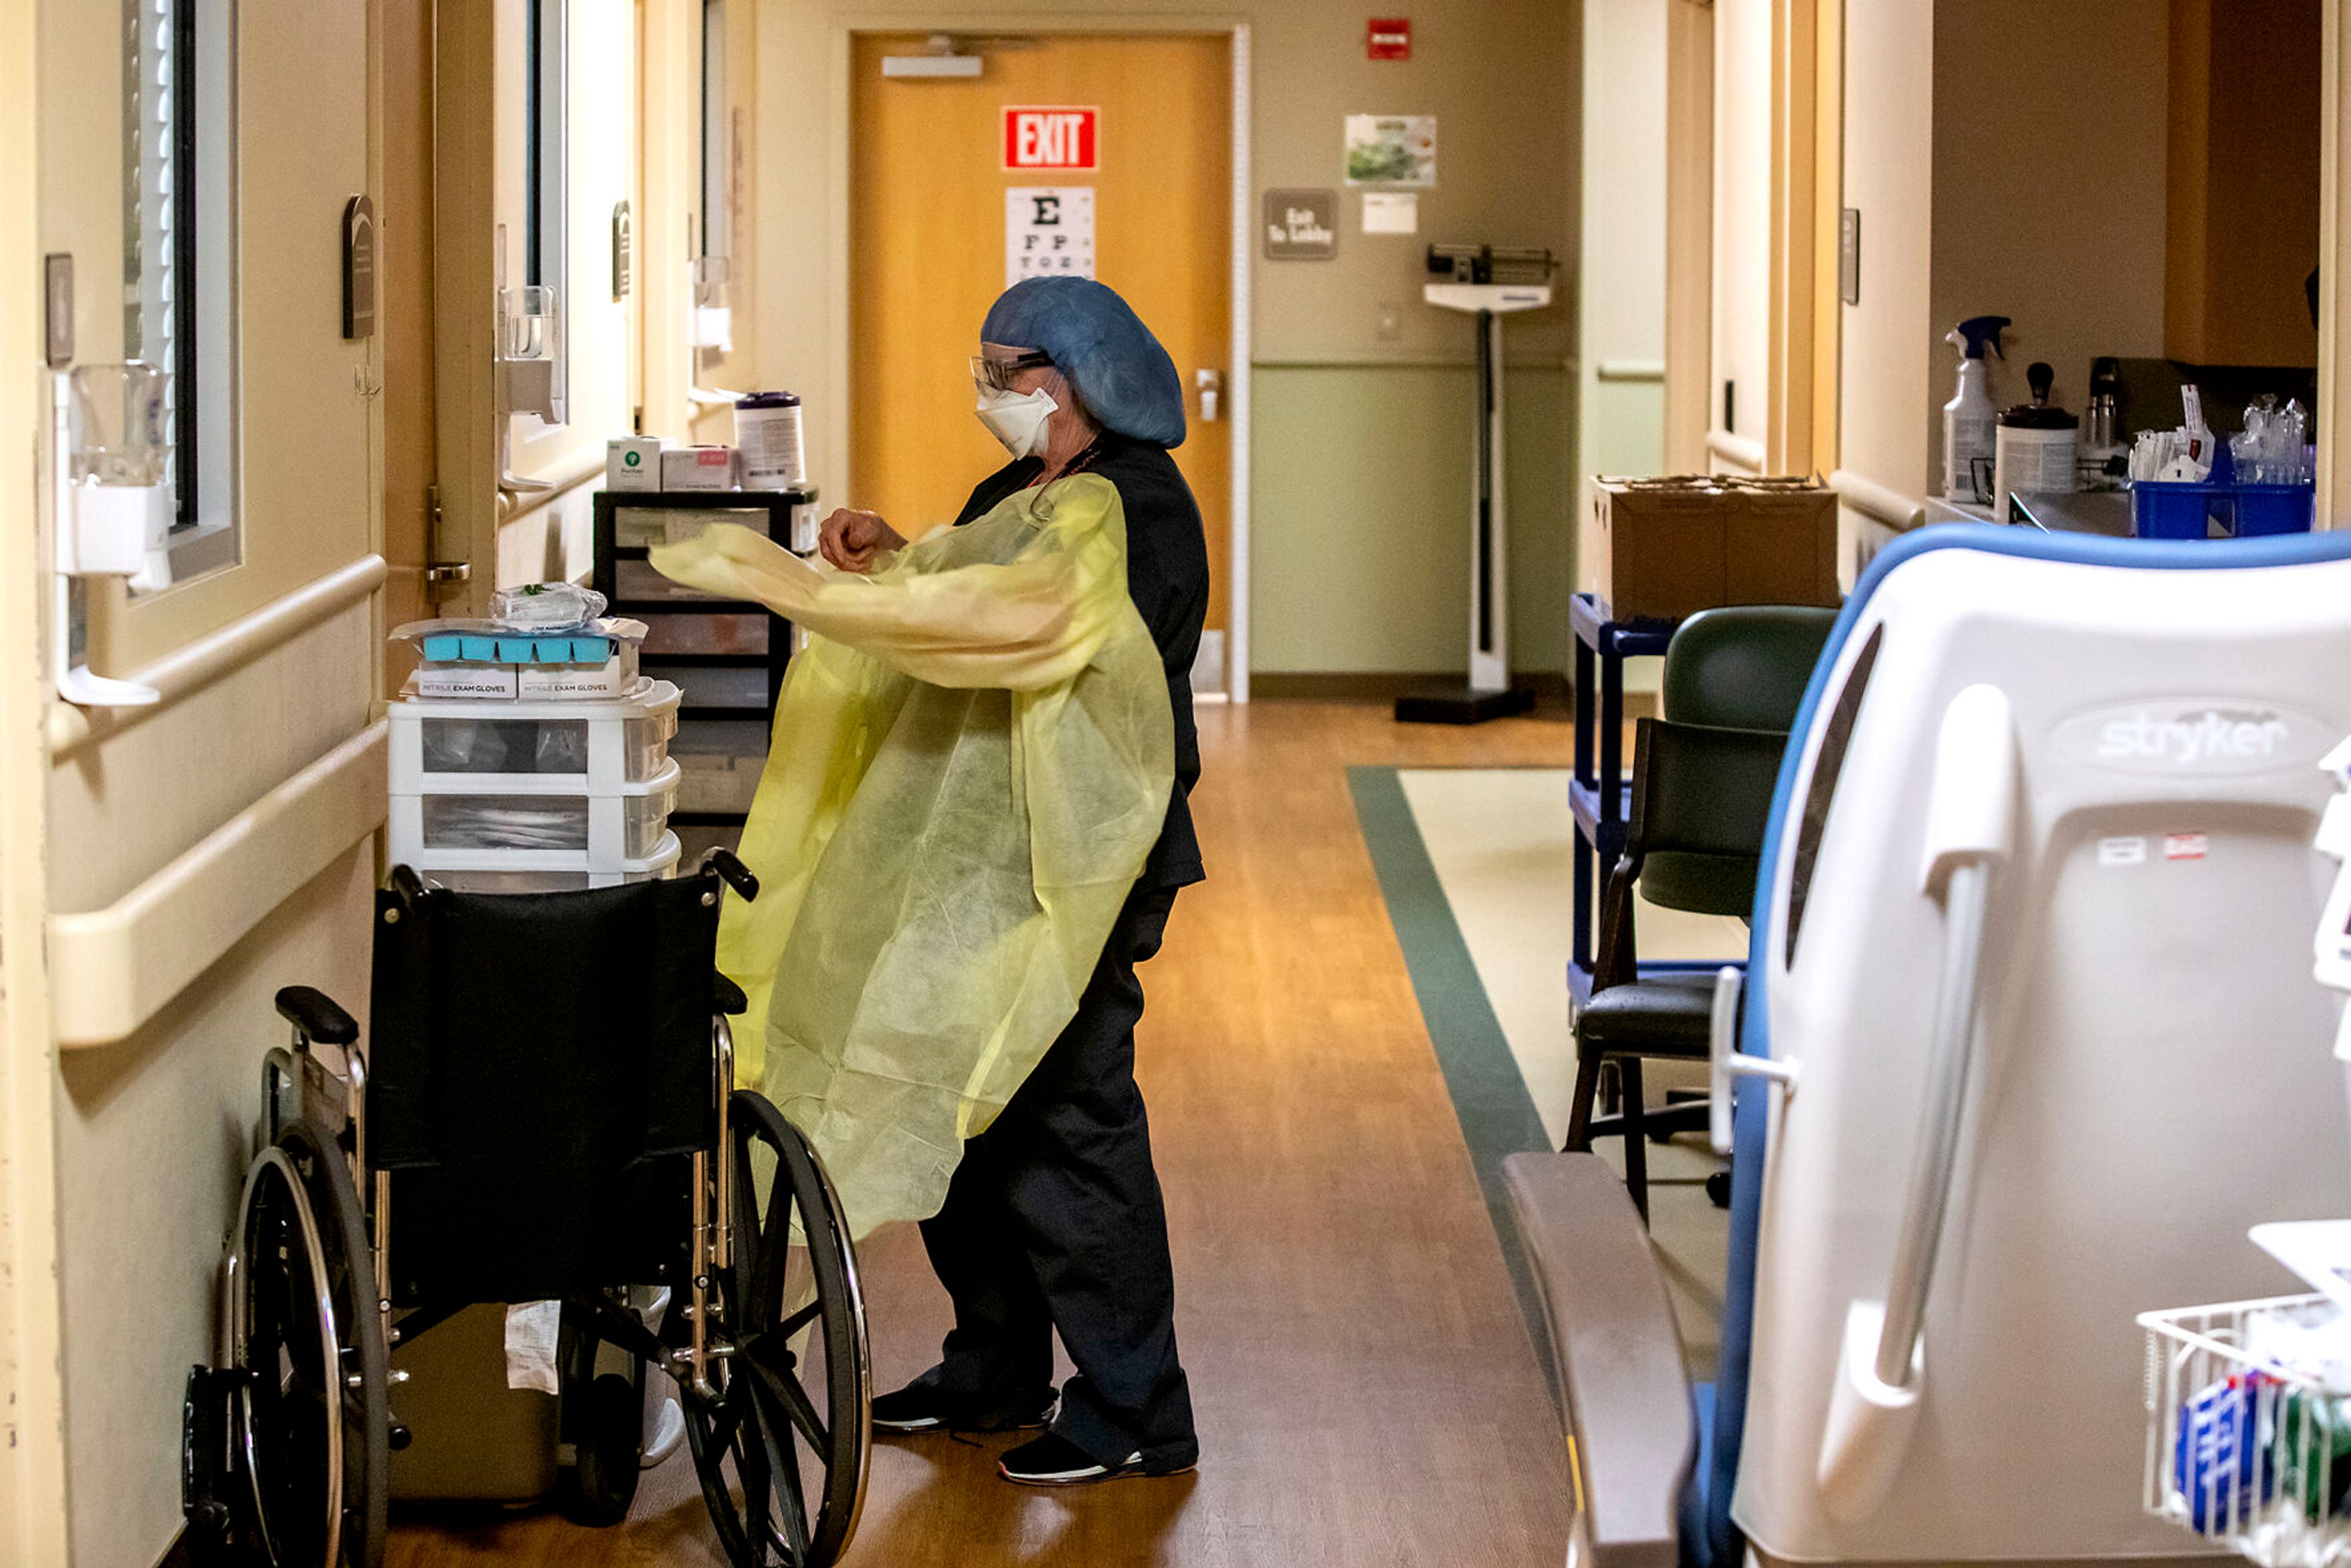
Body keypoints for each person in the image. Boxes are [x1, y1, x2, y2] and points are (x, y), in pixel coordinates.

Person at [819, 277, 1208, 1487]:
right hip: (977, 852)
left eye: (1004, 371)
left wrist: (935, 604)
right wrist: (890, 558)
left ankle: (1140, 1408)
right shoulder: (1016, 491)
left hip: (1083, 862)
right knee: (957, 1105)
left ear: (1070, 375)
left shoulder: (1140, 510)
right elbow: (961, 583)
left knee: (1066, 1117)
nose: (987, 393)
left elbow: (1044, 642)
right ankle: (994, 1367)